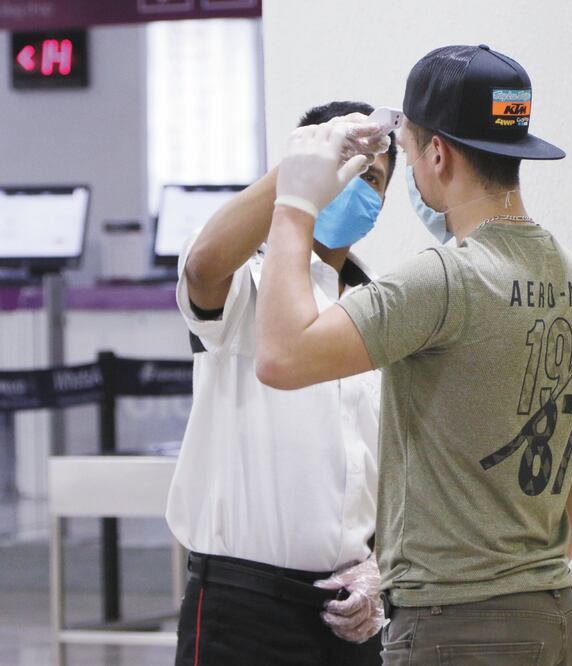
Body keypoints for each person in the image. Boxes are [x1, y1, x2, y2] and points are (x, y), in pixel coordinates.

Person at [254, 45, 572, 665]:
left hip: (456, 628)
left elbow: (283, 357)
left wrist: (293, 204)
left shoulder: (443, 282)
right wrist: (527, 578)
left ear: (438, 153)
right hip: (554, 612)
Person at [167, 100, 396, 666]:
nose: (356, 183)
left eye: (372, 176)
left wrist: (382, 568)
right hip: (242, 608)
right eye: (343, 166)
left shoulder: (384, 306)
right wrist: (303, 169)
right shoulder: (250, 278)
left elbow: (389, 463)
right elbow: (202, 267)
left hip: (350, 609)